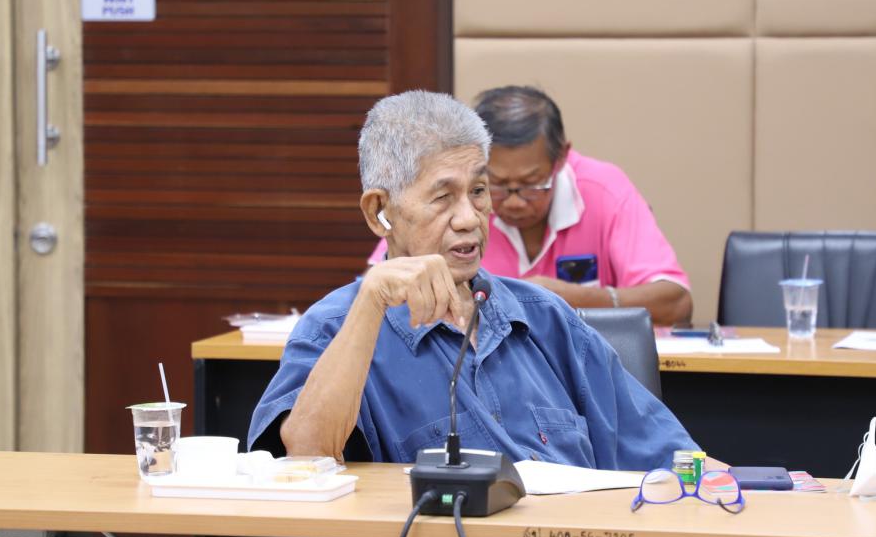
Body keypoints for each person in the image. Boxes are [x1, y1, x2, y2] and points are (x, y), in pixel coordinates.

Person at [248, 90, 698, 470]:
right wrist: (369, 307)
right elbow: (306, 458)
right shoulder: (334, 327)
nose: (469, 218)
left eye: (479, 191)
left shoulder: (545, 317)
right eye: (443, 197)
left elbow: (675, 457)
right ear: (379, 211)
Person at [369, 86, 692, 325]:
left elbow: (676, 303)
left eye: (531, 185)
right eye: (495, 184)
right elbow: (381, 288)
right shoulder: (456, 200)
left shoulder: (604, 190)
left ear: (561, 158)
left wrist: (574, 299)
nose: (513, 201)